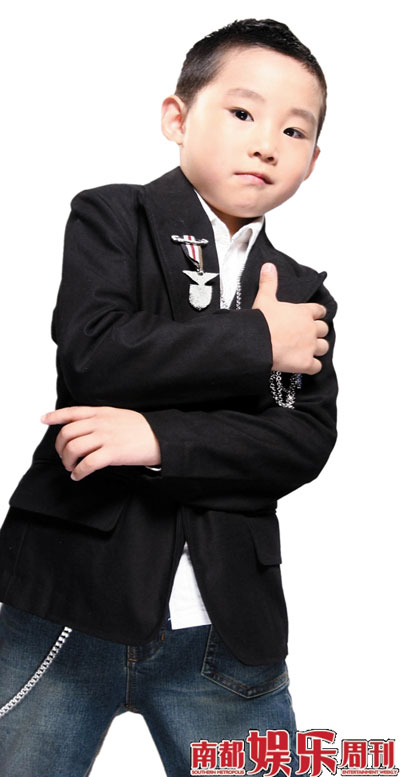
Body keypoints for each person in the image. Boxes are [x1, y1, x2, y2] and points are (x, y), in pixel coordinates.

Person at [0, 17, 338, 777]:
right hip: (64, 602)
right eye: (243, 112)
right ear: (177, 119)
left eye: (294, 130)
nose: (266, 143)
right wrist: (258, 343)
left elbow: (299, 443)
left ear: (313, 160)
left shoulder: (304, 295)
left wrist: (156, 440)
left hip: (224, 626)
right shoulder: (112, 217)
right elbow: (95, 353)